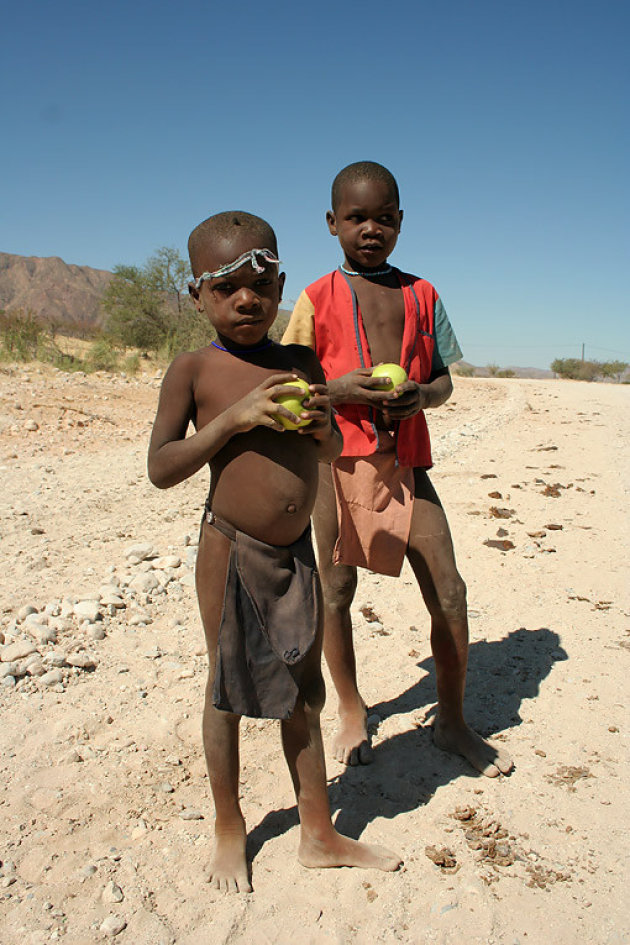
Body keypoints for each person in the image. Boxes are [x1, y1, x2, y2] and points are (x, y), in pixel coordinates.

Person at [147, 210, 402, 894]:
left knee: (306, 692)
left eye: (261, 283)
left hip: (297, 558)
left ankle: (318, 833)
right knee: (226, 692)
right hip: (230, 549)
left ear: (281, 282)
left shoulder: (300, 361)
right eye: (226, 288)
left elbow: (325, 449)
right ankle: (231, 825)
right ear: (195, 296)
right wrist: (233, 420)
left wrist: (321, 430)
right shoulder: (195, 370)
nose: (247, 300)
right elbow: (162, 466)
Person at [282, 162, 513, 778]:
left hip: (406, 460)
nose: (371, 229)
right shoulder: (314, 298)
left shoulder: (424, 295)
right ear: (332, 224)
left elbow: (443, 378)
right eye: (357, 218)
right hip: (337, 460)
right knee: (335, 590)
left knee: (450, 590)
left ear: (401, 223)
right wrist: (337, 387)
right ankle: (352, 707)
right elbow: (291, 388)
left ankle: (453, 721)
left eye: (384, 218)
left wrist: (423, 397)